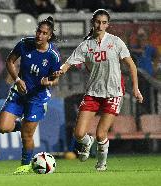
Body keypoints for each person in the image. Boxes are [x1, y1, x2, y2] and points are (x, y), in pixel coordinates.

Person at [58, 9, 143, 171]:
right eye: (97, 22)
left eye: (104, 22)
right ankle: (87, 143)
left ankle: (101, 163)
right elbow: (68, 63)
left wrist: (136, 88)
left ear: (108, 25)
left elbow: (131, 65)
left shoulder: (116, 42)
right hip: (93, 93)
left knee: (101, 134)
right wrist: (59, 72)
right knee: (79, 134)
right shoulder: (86, 45)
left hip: (114, 93)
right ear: (93, 23)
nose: (100, 25)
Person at [0, 16, 61, 174]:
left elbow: (56, 78)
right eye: (39, 31)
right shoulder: (25, 44)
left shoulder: (53, 55)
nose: (40, 35)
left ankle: (25, 165)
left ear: (50, 36)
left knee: (27, 136)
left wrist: (50, 82)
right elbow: (9, 61)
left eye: (44, 33)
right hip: (19, 93)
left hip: (37, 98)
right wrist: (17, 80)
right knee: (2, 127)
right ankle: (22, 127)